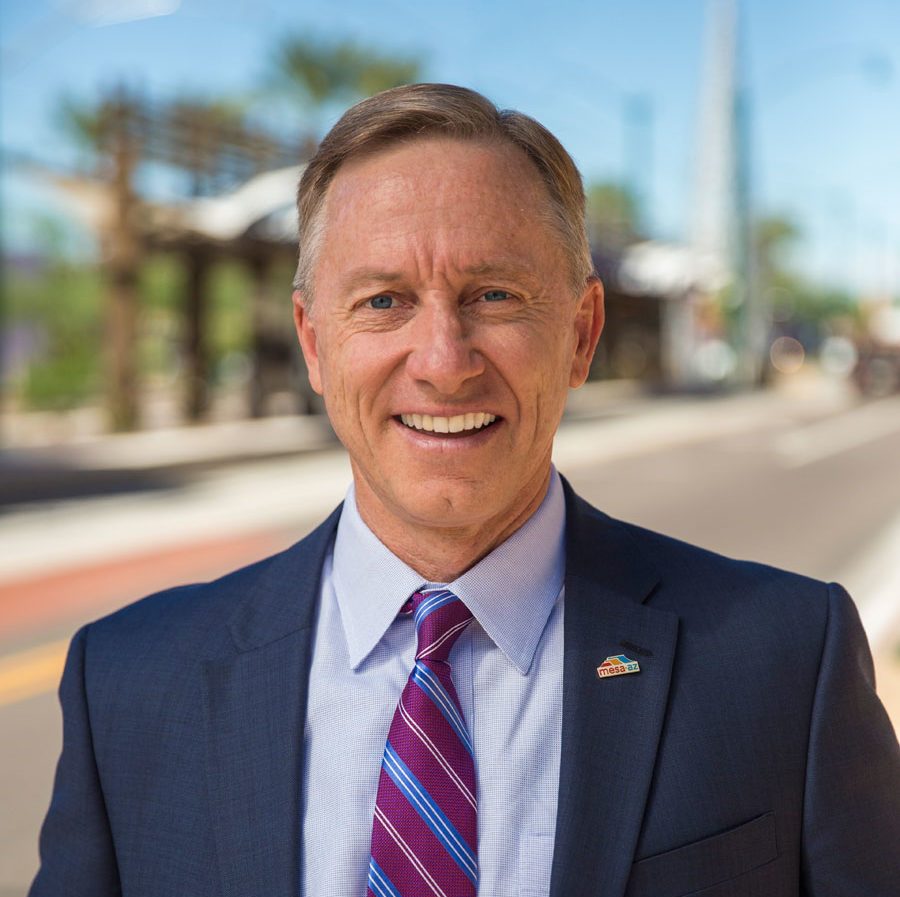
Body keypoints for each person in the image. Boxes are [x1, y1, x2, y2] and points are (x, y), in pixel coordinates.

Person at [31, 83, 899, 897]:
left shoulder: (788, 659)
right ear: (313, 342)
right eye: (382, 301)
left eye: (494, 294)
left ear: (581, 332)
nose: (444, 361)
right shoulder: (126, 684)